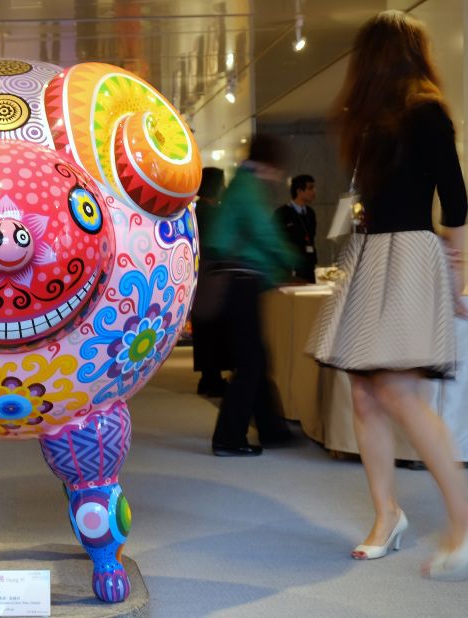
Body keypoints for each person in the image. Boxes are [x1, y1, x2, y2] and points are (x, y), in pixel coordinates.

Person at [308, 10, 468, 580]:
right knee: (365, 397)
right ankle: (387, 517)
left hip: (409, 257)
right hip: (372, 256)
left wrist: (458, 276)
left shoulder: (426, 113)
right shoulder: (369, 123)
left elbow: (456, 202)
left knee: (399, 393)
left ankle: (463, 524)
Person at [202, 135, 297, 457]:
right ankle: (228, 438)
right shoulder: (248, 188)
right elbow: (264, 234)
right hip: (239, 282)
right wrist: (292, 261)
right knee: (252, 361)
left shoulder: (242, 185)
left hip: (236, 281)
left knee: (256, 357)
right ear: (269, 163)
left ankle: (272, 429)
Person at [191, 167, 231, 397]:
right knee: (212, 331)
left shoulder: (198, 210)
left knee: (206, 332)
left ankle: (209, 377)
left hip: (201, 278)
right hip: (212, 278)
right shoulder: (212, 212)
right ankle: (211, 379)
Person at [273, 174, 318, 282]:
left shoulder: (310, 213)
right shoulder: (282, 213)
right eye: (310, 188)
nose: (314, 192)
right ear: (299, 191)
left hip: (308, 267)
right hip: (290, 270)